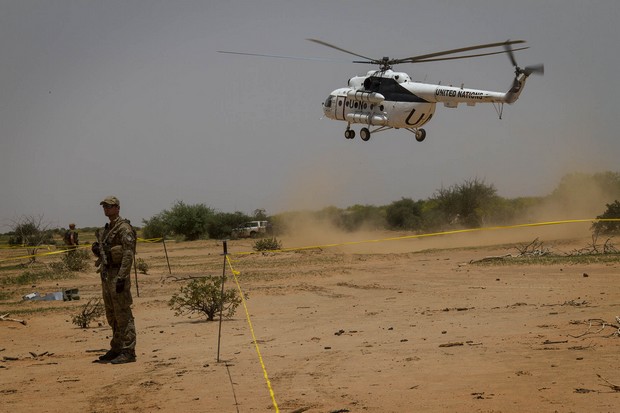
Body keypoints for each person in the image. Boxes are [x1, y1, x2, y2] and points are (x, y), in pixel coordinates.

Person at [91, 196, 137, 364]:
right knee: (111, 314)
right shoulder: (107, 229)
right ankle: (117, 347)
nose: (106, 209)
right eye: (104, 206)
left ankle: (128, 350)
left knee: (123, 312)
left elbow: (127, 254)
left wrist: (122, 277)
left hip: (118, 275)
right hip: (107, 274)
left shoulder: (123, 228)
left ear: (117, 208)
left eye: (110, 206)